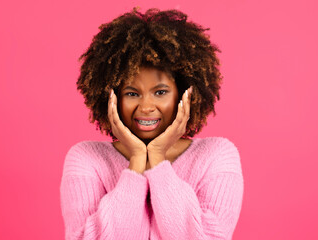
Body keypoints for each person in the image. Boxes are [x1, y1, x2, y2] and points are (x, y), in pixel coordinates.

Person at [60, 7, 244, 240]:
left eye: (160, 92)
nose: (146, 106)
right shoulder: (86, 159)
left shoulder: (217, 156)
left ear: (185, 94)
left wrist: (157, 158)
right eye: (132, 93)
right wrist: (137, 162)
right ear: (111, 97)